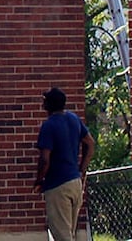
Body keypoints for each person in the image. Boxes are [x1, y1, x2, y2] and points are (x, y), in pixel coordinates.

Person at [35, 87, 96, 241]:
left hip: (57, 186)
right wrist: (82, 170)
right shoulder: (74, 119)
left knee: (63, 237)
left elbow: (44, 159)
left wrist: (39, 180)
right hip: (75, 183)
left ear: (49, 104)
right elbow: (90, 143)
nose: (43, 105)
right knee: (70, 233)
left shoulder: (49, 126)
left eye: (44, 101)